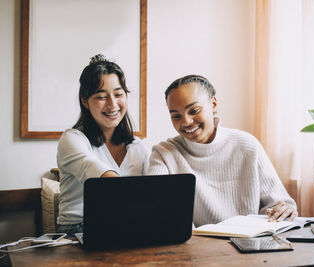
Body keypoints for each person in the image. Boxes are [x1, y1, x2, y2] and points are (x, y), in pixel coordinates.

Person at [146, 75, 297, 227]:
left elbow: (280, 204)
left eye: (194, 110)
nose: (186, 122)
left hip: (248, 243)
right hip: (194, 246)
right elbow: (155, 207)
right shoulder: (163, 153)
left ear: (213, 104)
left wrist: (283, 209)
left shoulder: (247, 145)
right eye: (176, 116)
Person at [56, 55, 148, 236]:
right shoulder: (72, 139)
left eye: (118, 94)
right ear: (85, 101)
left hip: (126, 225)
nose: (113, 104)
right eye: (101, 96)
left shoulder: (137, 146)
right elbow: (94, 173)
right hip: (77, 230)